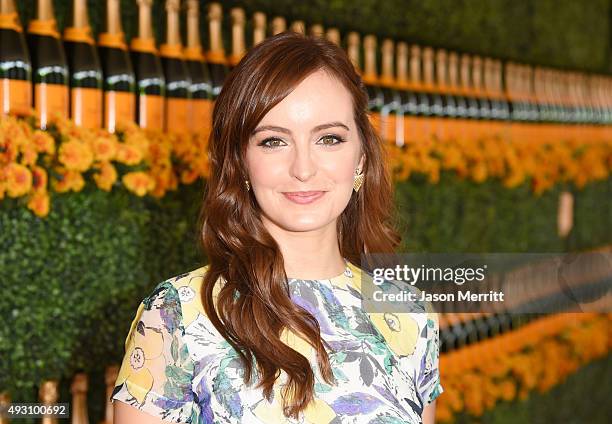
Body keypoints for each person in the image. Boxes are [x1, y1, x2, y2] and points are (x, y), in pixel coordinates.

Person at [111, 31, 443, 424]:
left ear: (361, 158)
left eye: (329, 138)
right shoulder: (179, 313)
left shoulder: (411, 316)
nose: (303, 168)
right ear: (240, 162)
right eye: (273, 142)